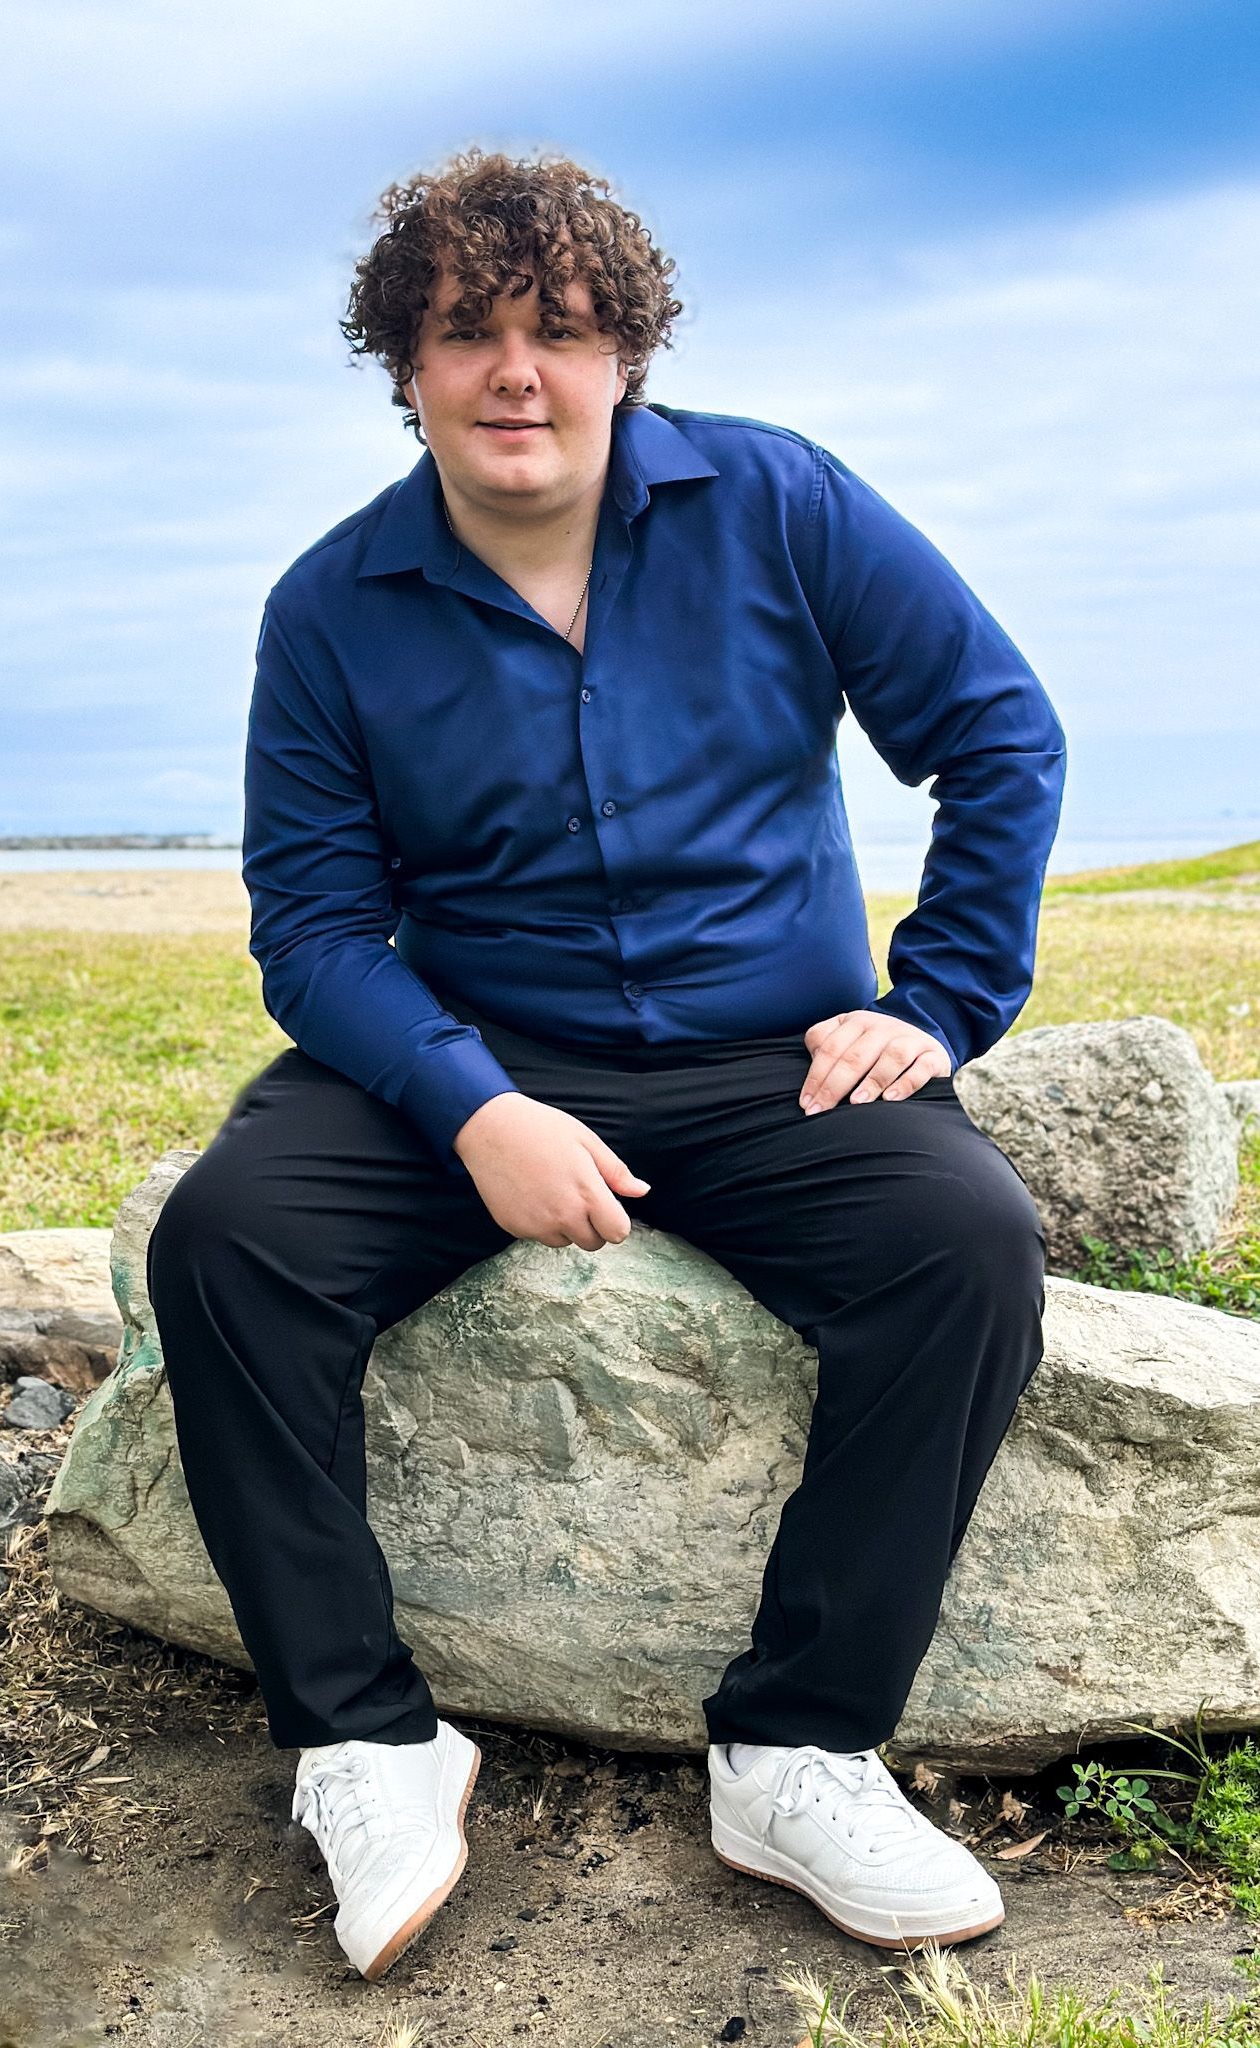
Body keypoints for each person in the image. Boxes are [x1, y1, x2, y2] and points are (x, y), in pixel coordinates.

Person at [145, 145, 1066, 1982]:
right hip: (474, 1052)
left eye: (560, 331)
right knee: (225, 1241)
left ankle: (798, 1747)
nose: (515, 373)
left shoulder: (784, 504)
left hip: (771, 1057)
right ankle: (367, 1743)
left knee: (965, 1253)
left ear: (624, 353)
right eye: (465, 332)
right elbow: (314, 928)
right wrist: (474, 1107)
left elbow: (996, 732)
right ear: (399, 363)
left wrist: (940, 997)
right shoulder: (330, 608)